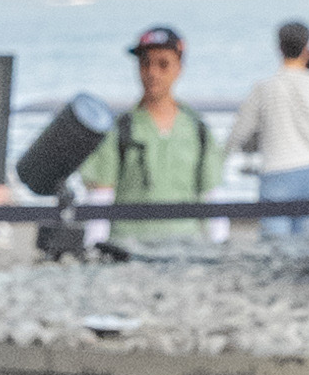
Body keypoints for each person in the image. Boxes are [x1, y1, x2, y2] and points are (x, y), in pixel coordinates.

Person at [78, 24, 224, 252]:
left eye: (163, 64)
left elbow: (211, 196)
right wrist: (94, 248)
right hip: (129, 247)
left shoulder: (198, 129)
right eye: (145, 63)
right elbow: (101, 194)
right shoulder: (119, 128)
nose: (153, 73)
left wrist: (217, 247)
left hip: (186, 248)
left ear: (179, 68)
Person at [227, 18, 309, 236]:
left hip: (274, 172)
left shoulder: (263, 88)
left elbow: (238, 134)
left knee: (274, 245)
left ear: (279, 48)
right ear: (307, 48)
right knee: (307, 243)